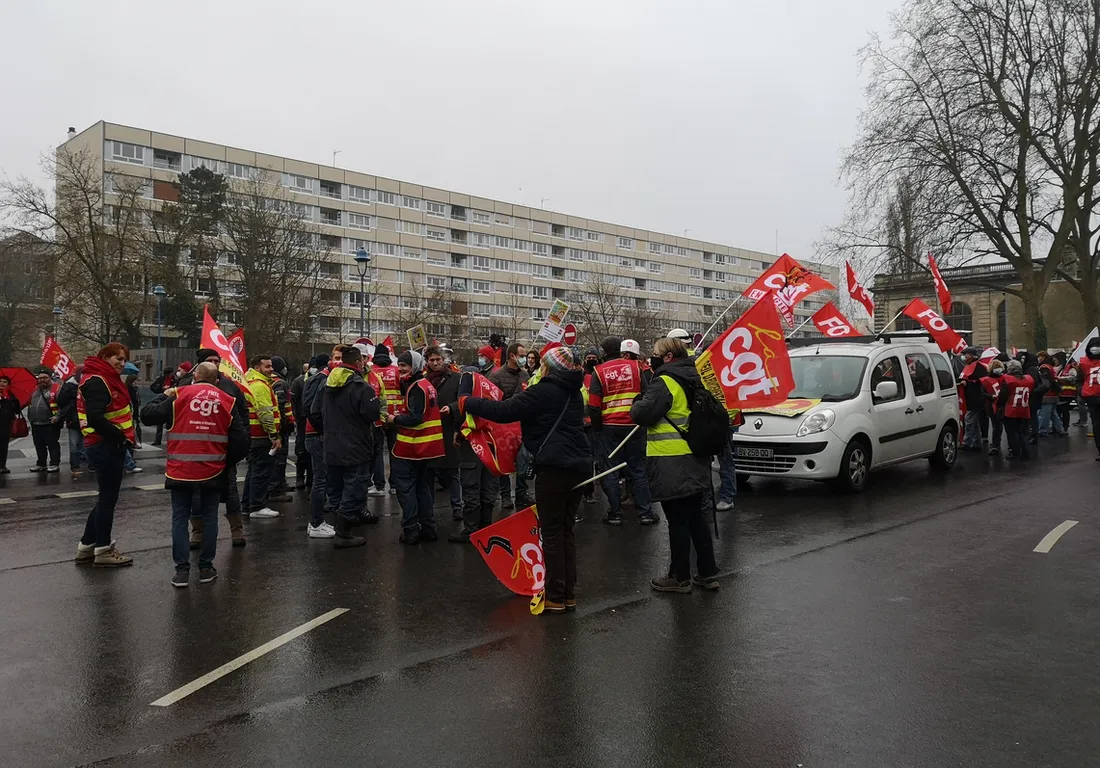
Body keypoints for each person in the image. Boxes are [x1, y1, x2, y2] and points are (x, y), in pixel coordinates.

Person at [462, 346, 592, 614]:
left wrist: (467, 402)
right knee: (566, 530)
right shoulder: (573, 392)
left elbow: (504, 411)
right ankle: (567, 594)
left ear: (549, 367)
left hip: (554, 468)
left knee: (552, 532)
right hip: (578, 465)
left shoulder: (544, 391)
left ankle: (555, 597)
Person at [141, 362, 249, 587]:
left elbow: (147, 415)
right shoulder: (226, 400)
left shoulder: (180, 394)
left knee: (180, 518)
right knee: (210, 518)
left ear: (194, 377)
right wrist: (225, 462)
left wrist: (166, 394)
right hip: (213, 471)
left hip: (180, 470)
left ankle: (181, 571)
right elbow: (241, 441)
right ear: (216, 380)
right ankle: (206, 568)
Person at [630, 337, 719, 594]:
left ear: (668, 357)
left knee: (677, 520)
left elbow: (642, 414)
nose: (652, 358)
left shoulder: (665, 380)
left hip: (671, 460)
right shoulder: (696, 376)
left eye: (656, 354)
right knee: (696, 518)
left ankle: (679, 577)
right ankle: (707, 573)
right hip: (695, 456)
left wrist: (639, 400)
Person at [175, 348, 251, 548]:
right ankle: (198, 532)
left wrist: (238, 447)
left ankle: (237, 530)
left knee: (231, 490)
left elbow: (243, 414)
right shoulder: (183, 385)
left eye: (218, 361)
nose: (215, 365)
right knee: (196, 494)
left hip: (224, 452)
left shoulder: (229, 386)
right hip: (194, 453)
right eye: (210, 361)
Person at [311, 344, 382, 548]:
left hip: (332, 444)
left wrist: (327, 431)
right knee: (355, 487)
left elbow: (314, 412)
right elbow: (373, 414)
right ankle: (343, 532)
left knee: (335, 486)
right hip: (356, 445)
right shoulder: (361, 386)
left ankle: (339, 524)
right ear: (359, 362)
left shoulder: (326, 384)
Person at [75, 343, 137, 567]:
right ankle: (103, 550)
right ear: (104, 357)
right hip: (106, 445)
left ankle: (86, 546)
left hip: (104, 444)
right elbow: (95, 418)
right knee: (108, 500)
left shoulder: (100, 377)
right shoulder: (99, 381)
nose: (121, 363)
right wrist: (120, 437)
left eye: (123, 359)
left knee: (105, 498)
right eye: (117, 358)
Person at [589, 337, 656, 526]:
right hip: (634, 426)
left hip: (609, 427)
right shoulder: (635, 368)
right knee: (638, 469)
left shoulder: (598, 371)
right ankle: (646, 513)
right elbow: (646, 394)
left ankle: (616, 514)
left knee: (610, 470)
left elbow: (594, 405)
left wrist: (597, 429)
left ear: (603, 352)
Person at [385, 350, 445, 545]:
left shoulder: (416, 387)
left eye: (405, 365)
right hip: (426, 448)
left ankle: (411, 530)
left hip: (411, 447)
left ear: (415, 366)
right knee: (422, 487)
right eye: (399, 365)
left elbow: (415, 418)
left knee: (406, 489)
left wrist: (394, 419)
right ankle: (428, 528)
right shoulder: (426, 385)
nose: (400, 369)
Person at [302, 350, 341, 538]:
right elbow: (311, 408)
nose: (340, 362)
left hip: (318, 434)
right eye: (337, 358)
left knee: (323, 478)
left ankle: (317, 522)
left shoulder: (322, 377)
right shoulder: (322, 378)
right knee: (321, 480)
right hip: (317, 436)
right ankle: (316, 523)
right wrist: (323, 431)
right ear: (330, 361)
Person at [242, 354, 283, 519]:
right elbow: (265, 413)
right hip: (261, 436)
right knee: (261, 472)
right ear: (257, 368)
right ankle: (257, 505)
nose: (271, 369)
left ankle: (247, 504)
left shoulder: (252, 382)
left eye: (271, 365)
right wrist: (274, 435)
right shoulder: (260, 386)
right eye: (267, 366)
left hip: (254, 435)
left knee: (253, 471)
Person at [425, 345, 463, 522]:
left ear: (444, 360)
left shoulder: (455, 378)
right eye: (431, 360)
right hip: (429, 432)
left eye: (438, 359)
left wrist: (453, 407)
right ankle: (429, 508)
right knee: (430, 473)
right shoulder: (424, 380)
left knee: (453, 472)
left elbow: (463, 400)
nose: (435, 363)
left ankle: (458, 507)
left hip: (449, 429)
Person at [491, 342, 530, 510]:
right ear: (512, 356)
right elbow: (491, 401)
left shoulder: (525, 375)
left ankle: (522, 493)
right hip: (503, 425)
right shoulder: (496, 376)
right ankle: (506, 495)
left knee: (523, 460)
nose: (524, 359)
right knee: (504, 461)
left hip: (521, 424)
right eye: (522, 356)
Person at [370, 344, 402, 495]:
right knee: (394, 450)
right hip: (395, 416)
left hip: (377, 416)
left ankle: (379, 486)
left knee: (377, 451)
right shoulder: (396, 370)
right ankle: (395, 485)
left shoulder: (370, 371)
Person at [266, 356, 295, 496]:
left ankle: (280, 483)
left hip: (276, 424)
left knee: (279, 458)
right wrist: (285, 423)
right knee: (279, 458)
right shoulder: (279, 383)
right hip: (281, 425)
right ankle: (275, 488)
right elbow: (281, 404)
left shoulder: (269, 381)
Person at [54, 366, 87, 478]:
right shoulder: (69, 386)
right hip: (73, 420)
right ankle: (75, 466)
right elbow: (60, 401)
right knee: (74, 445)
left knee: (89, 444)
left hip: (88, 420)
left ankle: (91, 464)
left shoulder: (89, 384)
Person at [999, 359, 1035, 460]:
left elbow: (1003, 396)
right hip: (1024, 408)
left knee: (1012, 432)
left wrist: (999, 405)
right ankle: (1025, 452)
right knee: (1021, 432)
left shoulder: (1008, 379)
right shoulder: (1029, 379)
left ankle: (1015, 452)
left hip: (1011, 409)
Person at [27, 370, 62, 472]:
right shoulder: (35, 390)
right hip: (36, 423)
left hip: (50, 423)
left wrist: (58, 416)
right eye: (40, 378)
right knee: (39, 444)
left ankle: (54, 463)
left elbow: (63, 405)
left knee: (52, 444)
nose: (42, 380)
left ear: (50, 378)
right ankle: (41, 464)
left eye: (45, 377)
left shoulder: (57, 388)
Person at [959, 347, 987, 452]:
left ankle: (967, 442)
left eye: (965, 354)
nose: (964, 357)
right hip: (970, 398)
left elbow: (983, 382)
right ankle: (977, 443)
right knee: (974, 422)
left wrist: (968, 383)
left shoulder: (979, 367)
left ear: (970, 355)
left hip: (975, 398)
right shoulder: (968, 366)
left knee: (969, 421)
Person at [289, 360, 312, 490]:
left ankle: (310, 478)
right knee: (301, 449)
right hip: (302, 421)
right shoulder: (298, 381)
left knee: (311, 452)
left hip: (312, 420)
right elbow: (292, 400)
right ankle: (299, 477)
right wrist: (296, 416)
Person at [980, 359, 1006, 456]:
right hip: (999, 405)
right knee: (998, 426)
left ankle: (996, 444)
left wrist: (991, 397)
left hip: (992, 405)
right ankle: (996, 443)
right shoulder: (1005, 378)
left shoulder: (986, 380)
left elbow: (982, 393)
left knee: (996, 426)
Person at [1079, 340, 1100, 458]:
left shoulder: (1084, 362)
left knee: (1096, 424)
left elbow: (1080, 376)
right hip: (1094, 394)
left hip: (1091, 394)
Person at [1037, 354, 1066, 437]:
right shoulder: (1050, 367)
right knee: (1053, 414)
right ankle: (1061, 430)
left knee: (1044, 414)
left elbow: (1046, 381)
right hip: (1053, 393)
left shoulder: (1044, 367)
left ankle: (1043, 430)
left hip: (1047, 394)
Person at [0, 374, 20, 474]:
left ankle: (2, 465)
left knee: (3, 446)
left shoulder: (11, 396)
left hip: (6, 425)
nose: (2, 383)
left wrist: (12, 401)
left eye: (4, 382)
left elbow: (16, 410)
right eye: (0, 381)